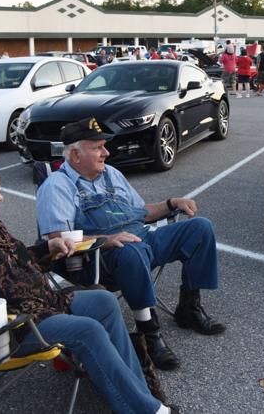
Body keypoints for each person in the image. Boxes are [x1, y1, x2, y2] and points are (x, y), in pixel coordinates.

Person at [0, 155, 173, 414]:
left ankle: (135, 391)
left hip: (45, 303)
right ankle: (147, 410)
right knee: (87, 330)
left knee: (104, 301)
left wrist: (47, 248)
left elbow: (12, 258)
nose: (1, 197)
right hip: (14, 324)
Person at [36, 118, 225, 371]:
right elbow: (58, 240)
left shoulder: (111, 173)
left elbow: (142, 213)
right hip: (99, 259)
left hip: (140, 239)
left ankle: (188, 308)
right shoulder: (57, 186)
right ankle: (149, 333)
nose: (106, 152)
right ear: (75, 154)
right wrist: (105, 240)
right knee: (131, 250)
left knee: (200, 228)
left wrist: (171, 203)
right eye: (98, 147)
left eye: (104, 146)